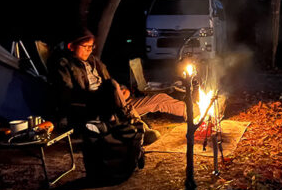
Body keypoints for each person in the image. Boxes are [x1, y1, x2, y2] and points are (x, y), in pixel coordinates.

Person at [48, 28, 186, 142]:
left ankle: (196, 114)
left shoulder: (94, 61)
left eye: (91, 47)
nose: (89, 50)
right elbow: (68, 94)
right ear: (71, 46)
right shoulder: (63, 64)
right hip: (96, 108)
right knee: (111, 86)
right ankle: (134, 123)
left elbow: (111, 81)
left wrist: (122, 90)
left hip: (117, 104)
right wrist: (107, 93)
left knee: (160, 99)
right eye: (85, 47)